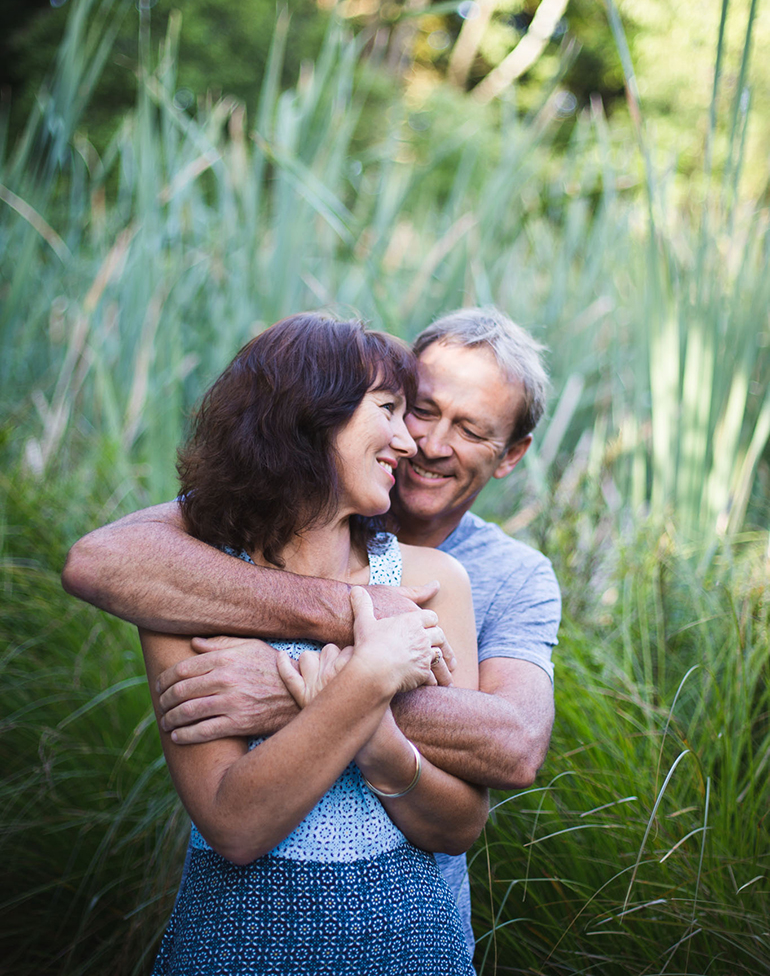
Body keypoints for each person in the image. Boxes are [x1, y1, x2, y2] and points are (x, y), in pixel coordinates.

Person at [62, 306, 562, 960]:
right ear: (313, 418)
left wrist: (303, 684)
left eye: (469, 429)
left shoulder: (474, 578)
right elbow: (97, 561)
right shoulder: (196, 573)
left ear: (511, 453)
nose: (425, 444)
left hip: (413, 934)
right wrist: (353, 619)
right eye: (412, 408)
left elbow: (514, 749)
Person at [134, 313, 488, 974]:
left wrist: (378, 740)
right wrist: (369, 675)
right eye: (387, 409)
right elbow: (235, 825)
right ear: (310, 416)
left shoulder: (432, 582)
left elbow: (459, 826)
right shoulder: (185, 591)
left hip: (411, 945)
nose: (408, 441)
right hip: (237, 943)